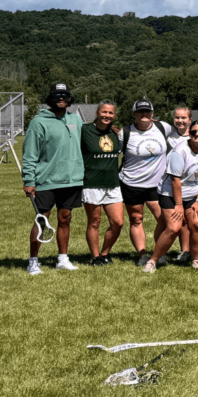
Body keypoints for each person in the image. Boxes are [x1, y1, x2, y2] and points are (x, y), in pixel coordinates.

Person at [23, 83, 84, 275]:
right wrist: (29, 180)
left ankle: (62, 259)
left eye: (64, 96)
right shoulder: (38, 122)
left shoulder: (76, 119)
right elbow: (30, 153)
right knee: (42, 220)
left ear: (69, 99)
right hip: (46, 180)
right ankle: (33, 261)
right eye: (57, 95)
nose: (61, 99)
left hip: (72, 179)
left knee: (65, 218)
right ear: (51, 98)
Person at [146, 119, 198, 272]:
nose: (197, 134)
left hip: (194, 194)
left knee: (197, 224)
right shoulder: (179, 151)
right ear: (189, 134)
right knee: (174, 227)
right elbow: (175, 180)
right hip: (170, 193)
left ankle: (196, 259)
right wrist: (178, 205)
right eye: (193, 132)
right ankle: (153, 261)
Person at [118, 99, 173, 266]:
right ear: (134, 114)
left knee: (163, 219)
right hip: (131, 183)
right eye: (140, 112)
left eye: (147, 112)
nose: (144, 115)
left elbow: (182, 134)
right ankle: (142, 254)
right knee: (136, 219)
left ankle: (159, 252)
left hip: (157, 184)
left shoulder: (164, 127)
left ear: (152, 114)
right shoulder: (125, 133)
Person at [80, 100, 124, 266]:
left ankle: (105, 253)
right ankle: (96, 256)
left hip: (112, 183)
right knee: (94, 222)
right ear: (97, 112)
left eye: (111, 113)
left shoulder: (116, 133)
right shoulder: (85, 130)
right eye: (104, 112)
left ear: (114, 115)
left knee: (118, 222)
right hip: (92, 183)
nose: (107, 115)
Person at [168, 106, 194, 260]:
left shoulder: (197, 135)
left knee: (194, 222)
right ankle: (185, 251)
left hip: (193, 185)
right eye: (177, 117)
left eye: (184, 118)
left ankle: (195, 252)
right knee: (181, 220)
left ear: (190, 120)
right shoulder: (169, 138)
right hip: (175, 184)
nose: (180, 120)